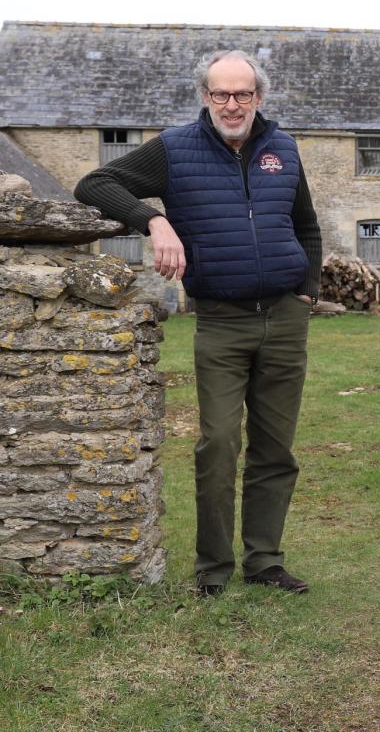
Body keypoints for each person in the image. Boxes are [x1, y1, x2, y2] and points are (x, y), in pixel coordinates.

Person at [76, 50, 322, 596]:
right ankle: (213, 569)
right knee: (217, 444)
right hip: (221, 321)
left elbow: (305, 224)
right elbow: (93, 184)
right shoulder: (173, 149)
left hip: (285, 317)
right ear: (205, 97)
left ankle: (264, 561)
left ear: (259, 97)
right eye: (220, 94)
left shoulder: (283, 147)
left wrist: (309, 289)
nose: (232, 104)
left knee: (275, 448)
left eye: (243, 94)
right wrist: (155, 219)